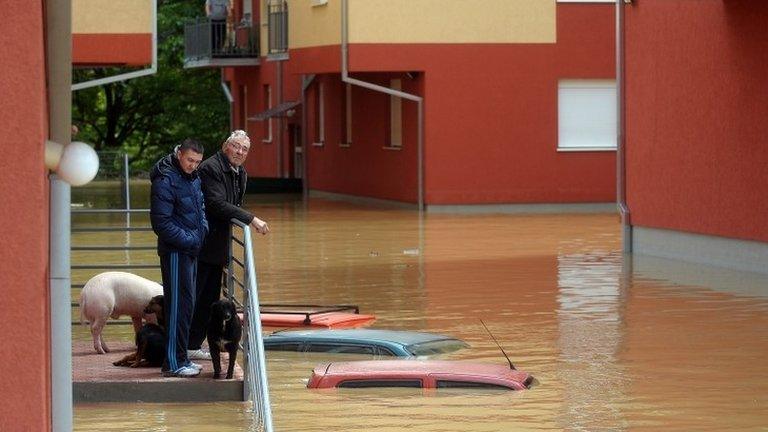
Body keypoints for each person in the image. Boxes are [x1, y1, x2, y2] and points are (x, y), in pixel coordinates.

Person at [187, 130, 269, 360]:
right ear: (226, 146)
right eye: (236, 146)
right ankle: (183, 345)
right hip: (201, 243)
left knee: (209, 299)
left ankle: (193, 345)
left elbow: (230, 203)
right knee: (194, 296)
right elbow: (216, 204)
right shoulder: (211, 168)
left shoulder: (239, 172)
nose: (240, 152)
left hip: (217, 247)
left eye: (245, 149)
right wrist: (251, 219)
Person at [150, 139, 208, 377]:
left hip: (190, 249)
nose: (193, 165)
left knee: (187, 306)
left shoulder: (192, 177)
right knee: (176, 307)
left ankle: (182, 358)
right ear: (179, 154)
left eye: (197, 162)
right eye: (189, 160)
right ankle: (173, 363)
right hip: (176, 252)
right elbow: (161, 223)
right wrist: (190, 240)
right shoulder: (165, 180)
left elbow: (201, 208)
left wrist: (202, 231)